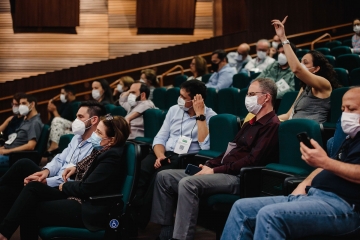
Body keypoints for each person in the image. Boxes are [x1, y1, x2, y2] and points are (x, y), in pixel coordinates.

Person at [221, 85, 360, 240]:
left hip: (345, 207)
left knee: (270, 215)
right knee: (241, 208)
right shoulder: (351, 139)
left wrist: (325, 162)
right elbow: (331, 166)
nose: (345, 115)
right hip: (314, 195)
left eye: (352, 109)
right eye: (343, 109)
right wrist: (304, 185)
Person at [150, 78, 280, 240]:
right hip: (222, 171)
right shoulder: (249, 123)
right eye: (248, 94)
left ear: (266, 97)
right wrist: (209, 164)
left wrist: (214, 170)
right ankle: (166, 231)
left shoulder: (272, 126)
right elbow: (229, 152)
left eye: (252, 94)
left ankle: (181, 237)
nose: (248, 98)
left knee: (188, 183)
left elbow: (252, 161)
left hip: (239, 177)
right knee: (164, 177)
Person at [0, 114, 130, 240]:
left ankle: (4, 233)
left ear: (112, 140)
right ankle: (4, 233)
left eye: (100, 133)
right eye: (96, 131)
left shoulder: (111, 157)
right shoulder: (103, 148)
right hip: (78, 194)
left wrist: (65, 186)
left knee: (30, 206)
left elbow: (87, 188)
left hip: (88, 206)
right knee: (33, 187)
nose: (95, 135)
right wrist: (76, 168)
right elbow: (88, 171)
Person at [0, 101, 105, 224]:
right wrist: (46, 171)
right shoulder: (76, 137)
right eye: (76, 116)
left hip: (64, 188)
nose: (76, 120)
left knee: (30, 187)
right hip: (54, 178)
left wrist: (46, 181)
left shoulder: (97, 145)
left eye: (80, 117)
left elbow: (73, 179)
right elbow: (59, 158)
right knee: (16, 176)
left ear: (94, 120)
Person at [131, 80, 217, 229]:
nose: (180, 100)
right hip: (163, 152)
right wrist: (160, 155)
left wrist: (200, 116)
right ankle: (133, 211)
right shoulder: (174, 110)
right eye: (180, 95)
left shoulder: (210, 116)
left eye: (184, 97)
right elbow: (160, 138)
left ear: (197, 99)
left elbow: (206, 145)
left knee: (158, 176)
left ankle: (139, 220)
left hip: (184, 158)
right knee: (141, 170)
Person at [275, 17, 339, 123]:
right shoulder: (304, 86)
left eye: (305, 62)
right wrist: (267, 122)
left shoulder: (324, 84)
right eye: (301, 62)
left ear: (316, 68)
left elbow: (296, 69)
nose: (301, 65)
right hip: (292, 127)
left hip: (309, 132)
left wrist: (283, 38)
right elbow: (288, 115)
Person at [0, 94, 43, 167]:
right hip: (7, 152)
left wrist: (7, 151)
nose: (21, 106)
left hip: (14, 157)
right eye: (20, 104)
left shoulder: (34, 122)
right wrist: (3, 148)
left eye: (24, 103)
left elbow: (31, 146)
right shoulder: (26, 120)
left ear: (32, 104)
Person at [256, 42, 296, 109]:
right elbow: (258, 80)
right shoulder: (272, 65)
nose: (280, 55)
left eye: (283, 52)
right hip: (264, 99)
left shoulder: (295, 70)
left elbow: (292, 90)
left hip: (281, 103)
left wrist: (272, 96)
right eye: (279, 52)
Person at [45, 84, 77, 155]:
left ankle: (54, 146)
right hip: (62, 128)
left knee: (57, 120)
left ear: (69, 93)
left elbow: (60, 120)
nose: (61, 95)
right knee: (49, 129)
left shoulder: (74, 104)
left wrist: (54, 111)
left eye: (62, 93)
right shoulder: (63, 104)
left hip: (71, 127)